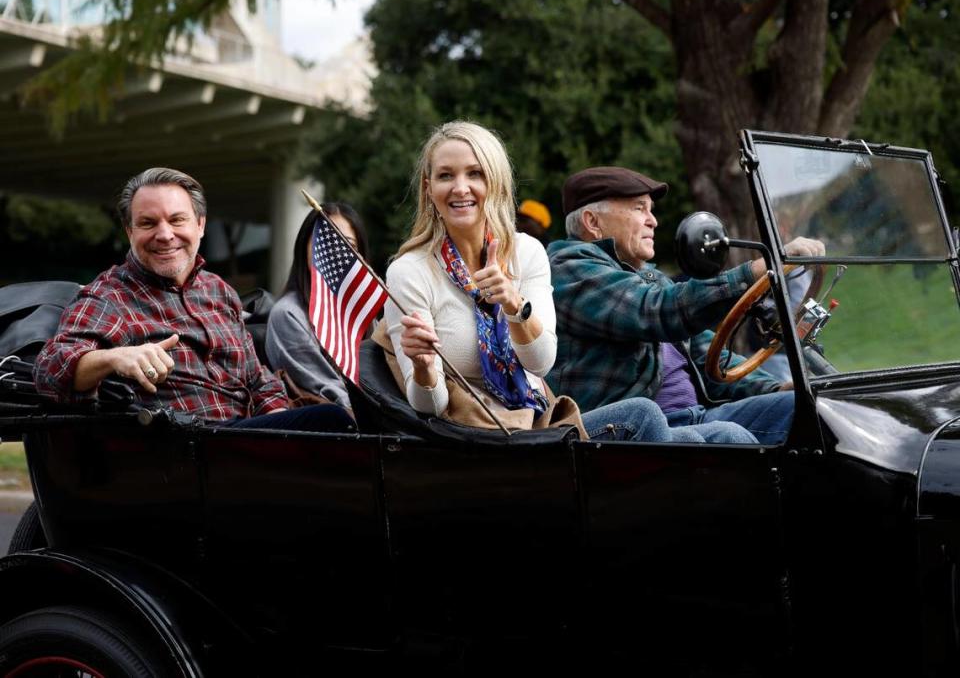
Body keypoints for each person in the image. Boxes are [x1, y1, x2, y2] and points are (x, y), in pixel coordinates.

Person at [384, 121, 755, 444]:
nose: (460, 188)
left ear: (494, 182)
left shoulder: (525, 252)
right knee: (643, 415)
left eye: (474, 174)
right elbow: (427, 406)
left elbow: (540, 363)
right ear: (429, 188)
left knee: (730, 437)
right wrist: (422, 365)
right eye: (446, 176)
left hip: (535, 424)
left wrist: (514, 306)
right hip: (474, 437)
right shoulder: (410, 271)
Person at [33, 167, 353, 432]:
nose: (165, 234)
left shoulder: (219, 291)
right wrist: (117, 358)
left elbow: (260, 381)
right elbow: (50, 370)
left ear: (200, 225)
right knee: (332, 421)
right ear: (129, 231)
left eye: (177, 220)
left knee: (347, 428)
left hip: (246, 444)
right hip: (181, 451)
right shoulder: (110, 295)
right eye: (148, 223)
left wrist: (276, 429)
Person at [547, 166, 826, 445]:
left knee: (808, 409)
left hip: (694, 418)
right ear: (592, 222)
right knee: (728, 437)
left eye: (651, 210)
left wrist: (776, 387)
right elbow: (656, 311)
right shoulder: (570, 269)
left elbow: (709, 356)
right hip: (620, 434)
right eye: (639, 208)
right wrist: (760, 269)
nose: (652, 221)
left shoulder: (650, 278)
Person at [265, 203, 371, 411]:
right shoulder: (288, 314)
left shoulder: (362, 312)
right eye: (324, 243)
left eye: (347, 244)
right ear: (304, 248)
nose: (334, 253)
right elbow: (328, 390)